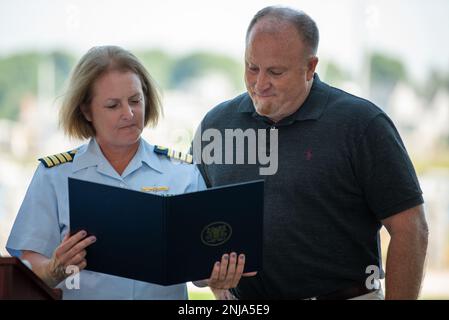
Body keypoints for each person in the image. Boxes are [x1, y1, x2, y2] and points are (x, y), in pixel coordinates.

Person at [194, 6, 429, 300]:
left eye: (275, 72)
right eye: (252, 67)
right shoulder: (215, 125)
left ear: (310, 67)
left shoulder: (362, 124)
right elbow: (195, 230)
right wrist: (215, 284)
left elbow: (411, 228)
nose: (260, 83)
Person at [6, 45, 250, 299]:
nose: (129, 113)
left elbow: (200, 273)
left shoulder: (182, 173)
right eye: (113, 105)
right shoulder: (54, 176)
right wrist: (54, 268)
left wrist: (215, 273)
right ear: (86, 110)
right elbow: (27, 267)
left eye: (135, 100)